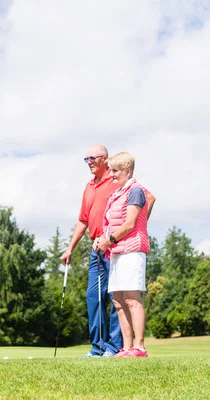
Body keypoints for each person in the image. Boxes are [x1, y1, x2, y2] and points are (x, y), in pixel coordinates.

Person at [61, 145, 155, 358]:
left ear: (105, 159)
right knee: (96, 296)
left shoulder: (119, 183)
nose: (89, 162)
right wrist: (70, 248)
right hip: (98, 245)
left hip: (117, 244)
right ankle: (99, 347)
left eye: (92, 158)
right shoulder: (89, 187)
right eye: (86, 159)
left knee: (121, 296)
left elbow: (148, 200)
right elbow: (83, 220)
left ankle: (116, 347)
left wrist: (134, 231)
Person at [95, 152, 150, 358]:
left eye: (116, 171)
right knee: (118, 301)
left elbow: (129, 224)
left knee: (132, 299)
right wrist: (102, 239)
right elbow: (111, 224)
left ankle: (140, 347)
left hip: (132, 250)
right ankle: (126, 348)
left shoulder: (135, 191)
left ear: (127, 171)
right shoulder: (116, 194)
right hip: (116, 251)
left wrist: (109, 241)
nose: (112, 175)